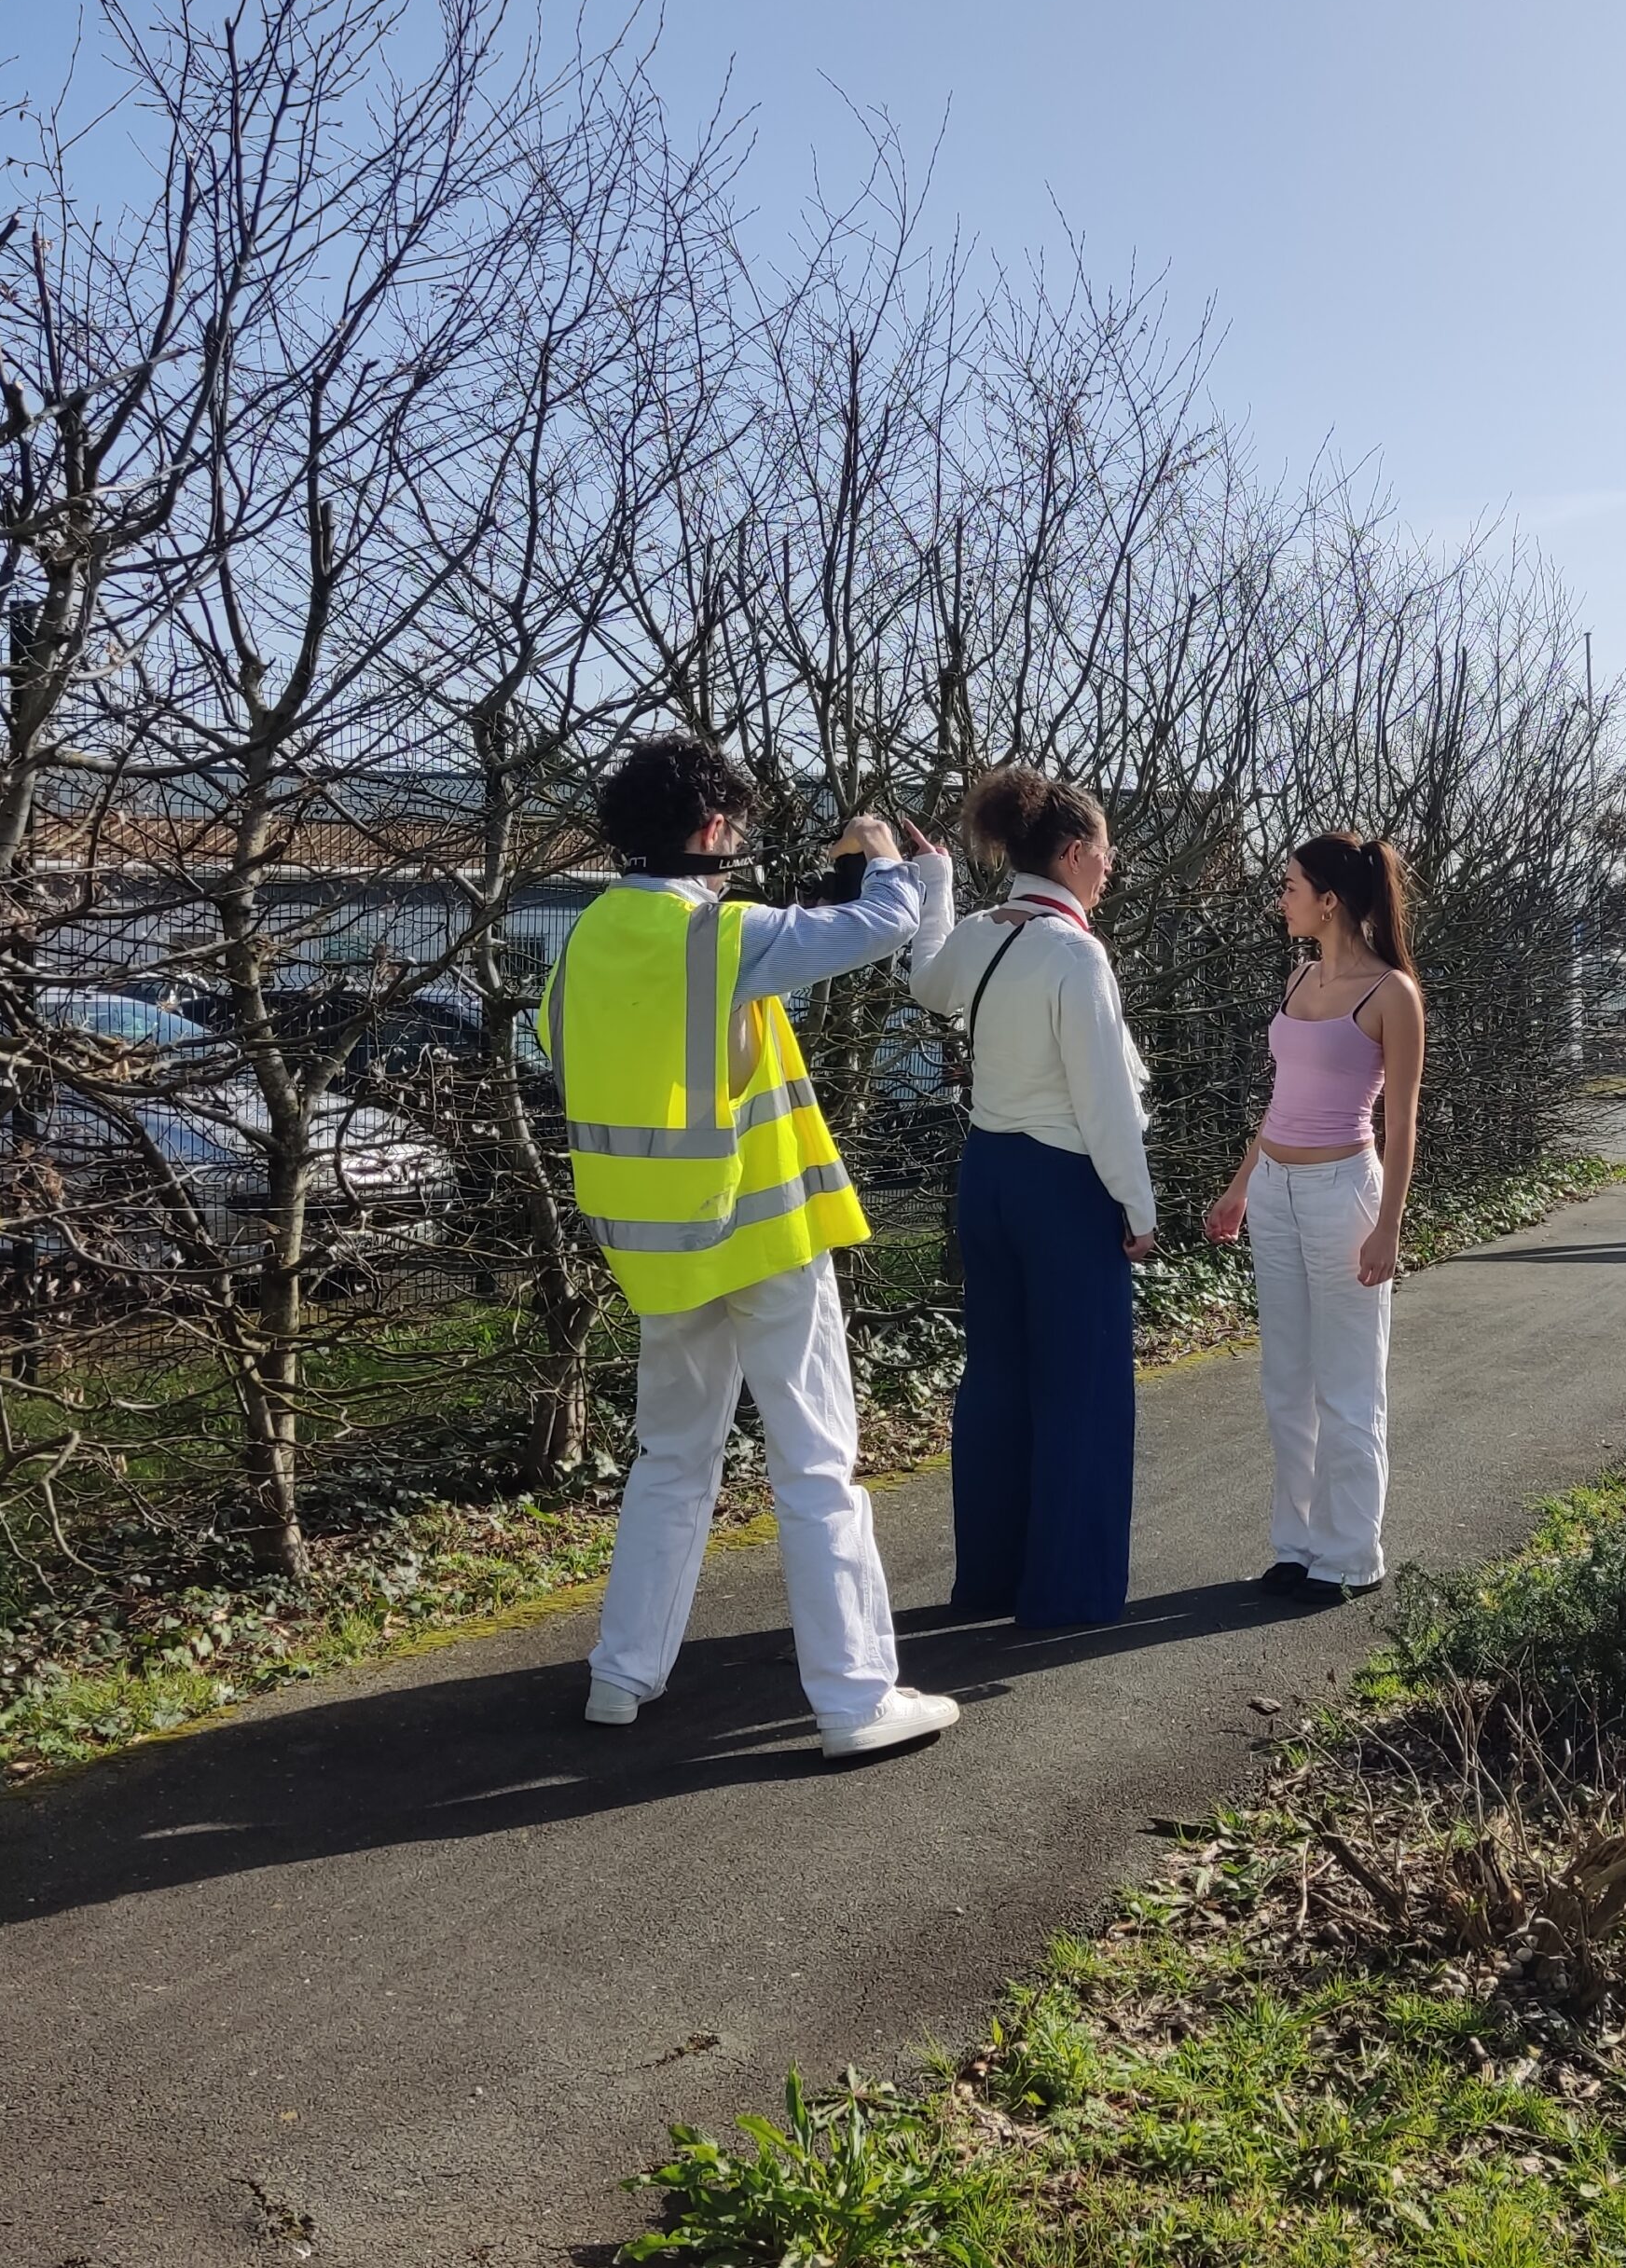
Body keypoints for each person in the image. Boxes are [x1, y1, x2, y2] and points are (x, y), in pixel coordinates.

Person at [538, 735, 959, 1760]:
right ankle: (855, 1700)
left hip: (656, 1247)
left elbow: (613, 1035)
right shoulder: (722, 938)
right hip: (761, 1236)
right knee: (816, 1463)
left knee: (672, 1459)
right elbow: (883, 923)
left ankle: (621, 1673)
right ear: (714, 828)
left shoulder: (586, 942)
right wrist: (884, 856)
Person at [906, 766, 1154, 1628]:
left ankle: (991, 1579)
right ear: (1075, 853)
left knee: (997, 1379)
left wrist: (935, 888)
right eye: (1106, 853)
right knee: (1082, 1387)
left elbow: (926, 983)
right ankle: (1067, 1595)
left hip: (987, 1176)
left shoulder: (980, 933)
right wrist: (1138, 1206)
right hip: (1062, 1185)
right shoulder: (1075, 953)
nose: (1110, 868)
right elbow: (1104, 1098)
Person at [1203, 832, 1424, 1607]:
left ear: (1329, 900)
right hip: (1276, 1193)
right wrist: (1240, 1188)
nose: (1282, 899)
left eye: (1291, 886)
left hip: (1344, 1195)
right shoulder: (1297, 977)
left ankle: (1350, 1554)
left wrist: (1389, 1224)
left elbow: (1402, 1122)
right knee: (1286, 1382)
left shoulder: (1392, 993)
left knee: (1349, 1383)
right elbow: (1282, 1102)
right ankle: (1296, 1546)